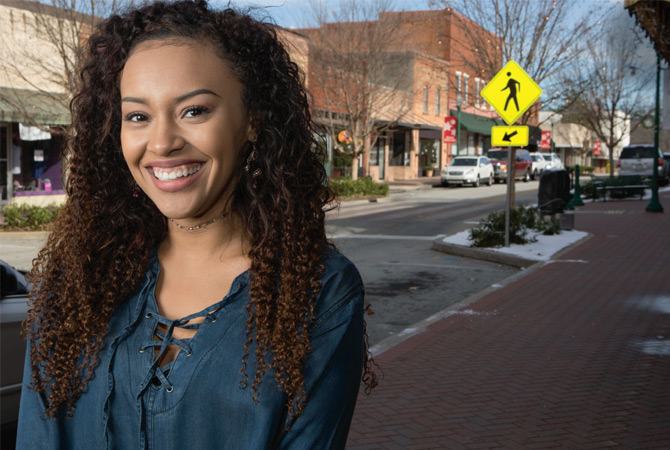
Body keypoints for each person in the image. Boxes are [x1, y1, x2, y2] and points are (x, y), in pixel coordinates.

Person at [16, 1, 375, 448]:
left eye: (194, 111)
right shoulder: (76, 281)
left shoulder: (316, 291)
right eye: (138, 116)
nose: (162, 142)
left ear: (252, 121)